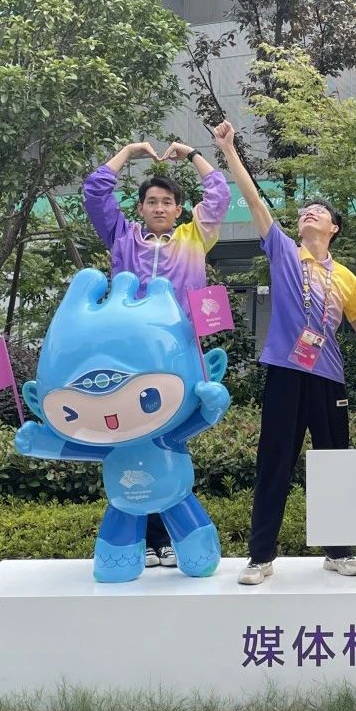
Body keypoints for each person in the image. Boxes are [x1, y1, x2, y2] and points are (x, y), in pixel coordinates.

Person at [214, 122, 356, 584]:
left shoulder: (344, 276)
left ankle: (338, 552)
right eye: (306, 211)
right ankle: (260, 557)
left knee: (334, 464)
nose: (309, 214)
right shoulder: (284, 252)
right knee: (275, 461)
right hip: (286, 374)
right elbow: (255, 201)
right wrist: (229, 149)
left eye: (318, 212)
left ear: (333, 228)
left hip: (329, 378)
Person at [83, 139, 229, 569]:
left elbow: (219, 194)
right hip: (128, 352)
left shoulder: (194, 237)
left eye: (167, 202)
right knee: (130, 437)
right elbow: (95, 192)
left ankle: (167, 535)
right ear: (141, 208)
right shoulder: (122, 236)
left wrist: (195, 155)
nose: (160, 207)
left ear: (179, 209)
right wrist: (128, 152)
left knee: (170, 437)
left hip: (177, 352)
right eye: (152, 201)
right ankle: (145, 539)